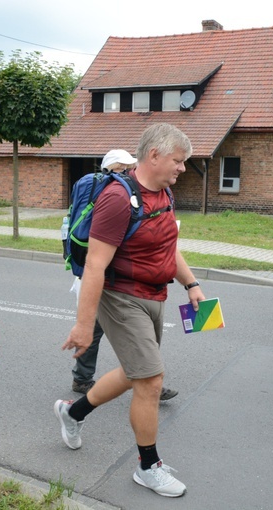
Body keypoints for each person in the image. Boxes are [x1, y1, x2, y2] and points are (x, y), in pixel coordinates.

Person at [55, 123, 204, 498]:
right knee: (151, 380)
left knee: (134, 373)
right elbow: (95, 266)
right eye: (179, 160)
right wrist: (84, 326)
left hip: (155, 296)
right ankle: (148, 466)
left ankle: (72, 413)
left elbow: (169, 247)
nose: (183, 168)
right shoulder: (118, 200)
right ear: (153, 155)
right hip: (121, 297)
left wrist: (191, 283)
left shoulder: (164, 193)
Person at [71, 148, 178, 401]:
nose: (127, 173)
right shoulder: (112, 195)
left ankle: (147, 376)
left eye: (128, 167)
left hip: (124, 282)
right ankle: (83, 379)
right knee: (93, 330)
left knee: (139, 347)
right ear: (109, 170)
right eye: (121, 168)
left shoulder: (138, 192)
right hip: (104, 280)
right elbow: (95, 259)